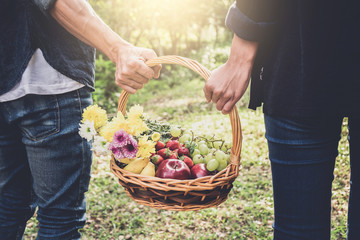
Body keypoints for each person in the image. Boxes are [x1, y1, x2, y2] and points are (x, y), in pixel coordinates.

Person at [0, 0, 161, 239]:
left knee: (8, 206)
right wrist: (119, 49)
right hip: (49, 84)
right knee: (59, 218)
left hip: (5, 86)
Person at [204, 0, 360, 239]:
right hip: (298, 61)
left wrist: (243, 43)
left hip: (298, 59)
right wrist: (241, 52)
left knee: (299, 231)